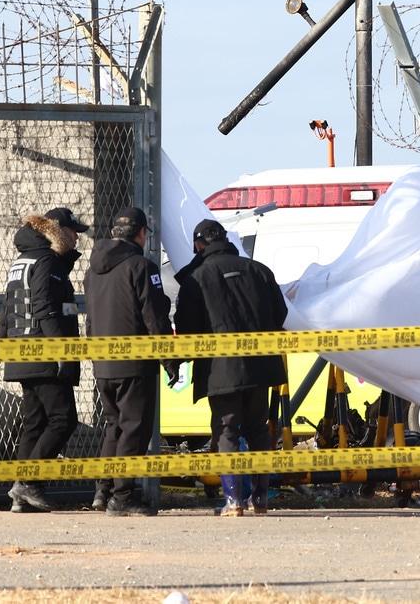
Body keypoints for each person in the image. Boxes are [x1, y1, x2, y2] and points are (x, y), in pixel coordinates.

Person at [173, 218, 289, 517]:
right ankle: (261, 500)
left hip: (219, 370)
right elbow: (281, 313)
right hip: (260, 367)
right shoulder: (259, 270)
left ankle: (234, 500)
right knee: (258, 431)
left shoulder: (196, 278)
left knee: (226, 430)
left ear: (199, 245)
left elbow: (186, 328)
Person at [84, 205, 176, 517]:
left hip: (103, 361)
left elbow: (91, 318)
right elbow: (154, 316)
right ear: (141, 233)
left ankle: (104, 489)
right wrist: (169, 359)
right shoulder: (142, 266)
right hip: (135, 362)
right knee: (134, 427)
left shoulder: (93, 270)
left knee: (114, 426)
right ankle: (122, 497)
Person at [0, 206, 89, 512]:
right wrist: (59, 350)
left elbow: (6, 306)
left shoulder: (23, 259)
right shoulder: (46, 259)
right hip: (42, 351)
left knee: (34, 423)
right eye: (73, 231)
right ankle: (29, 483)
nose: (77, 237)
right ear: (58, 230)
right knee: (63, 419)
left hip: (21, 351)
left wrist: (3, 345)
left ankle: (20, 493)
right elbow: (44, 306)